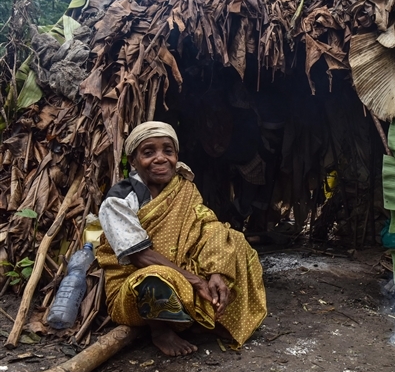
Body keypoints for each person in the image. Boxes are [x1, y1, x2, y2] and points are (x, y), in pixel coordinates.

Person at [96, 121, 267, 357]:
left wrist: (217, 271)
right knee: (155, 278)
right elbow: (139, 255)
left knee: (233, 240)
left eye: (168, 150)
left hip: (184, 270)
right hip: (133, 286)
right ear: (133, 161)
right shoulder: (119, 200)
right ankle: (160, 330)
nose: (160, 158)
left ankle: (207, 319)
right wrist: (197, 281)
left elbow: (207, 228)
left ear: (176, 155)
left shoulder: (183, 188)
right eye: (148, 152)